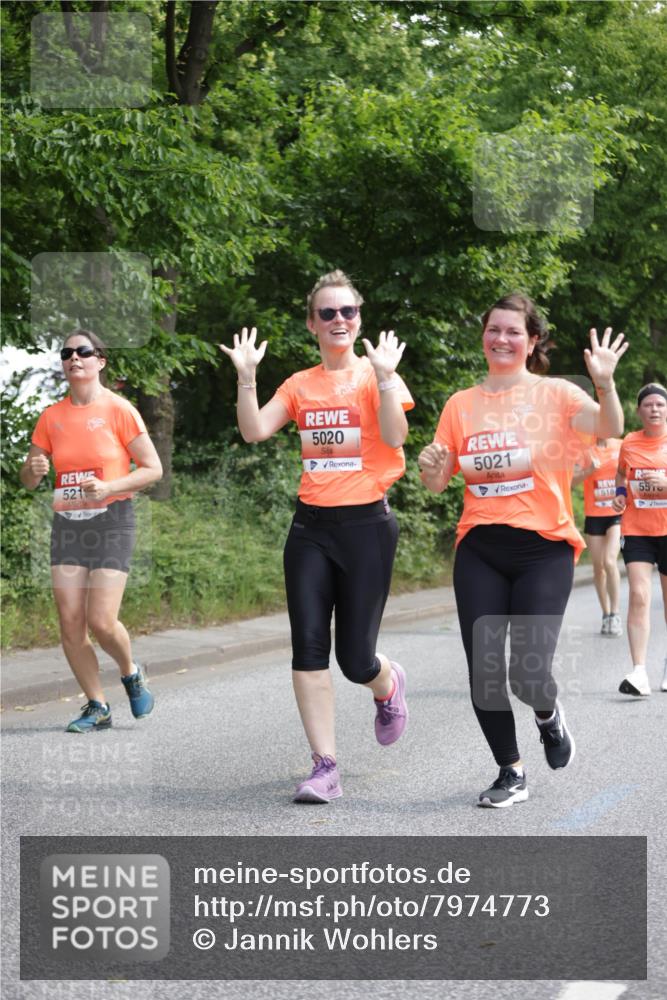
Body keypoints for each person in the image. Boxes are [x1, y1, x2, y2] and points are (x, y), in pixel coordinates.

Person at [419, 294, 627, 808]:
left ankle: (548, 716)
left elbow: (610, 427)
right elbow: (437, 481)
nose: (502, 339)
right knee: (485, 672)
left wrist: (604, 383)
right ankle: (510, 771)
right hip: (480, 547)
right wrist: (431, 467)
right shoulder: (460, 405)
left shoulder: (556, 394)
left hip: (544, 548)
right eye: (494, 329)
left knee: (528, 674)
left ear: (532, 341)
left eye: (514, 331)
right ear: (483, 337)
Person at [220, 270, 413, 803]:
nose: (338, 320)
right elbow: (254, 430)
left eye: (347, 311)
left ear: (359, 319)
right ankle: (325, 766)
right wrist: (246, 377)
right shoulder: (300, 384)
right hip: (310, 529)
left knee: (355, 661)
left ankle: (387, 682)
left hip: (367, 528)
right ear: (312, 324)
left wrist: (387, 379)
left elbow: (396, 435)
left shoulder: (377, 374)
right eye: (327, 313)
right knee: (307, 647)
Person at [20, 329, 162, 732]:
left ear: (100, 360)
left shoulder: (119, 409)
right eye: (66, 353)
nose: (74, 358)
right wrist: (32, 469)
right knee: (70, 622)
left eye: (83, 351)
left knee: (101, 620)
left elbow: (153, 469)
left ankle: (130, 671)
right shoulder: (51, 417)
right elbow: (28, 479)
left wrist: (110, 487)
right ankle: (97, 705)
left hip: (112, 520)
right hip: (68, 524)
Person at [612, 383, 667, 696]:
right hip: (637, 529)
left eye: (660, 404)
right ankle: (639, 672)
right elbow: (621, 474)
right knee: (638, 594)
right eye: (648, 404)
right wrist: (620, 493)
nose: (654, 409)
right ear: (638, 411)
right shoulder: (630, 442)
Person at [572, 437, 623, 635]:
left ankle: (616, 614)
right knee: (598, 568)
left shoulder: (621, 445)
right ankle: (606, 614)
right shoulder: (585, 450)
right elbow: (571, 481)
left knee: (610, 561)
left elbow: (630, 473)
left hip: (616, 513)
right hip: (594, 516)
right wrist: (589, 470)